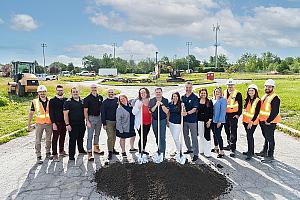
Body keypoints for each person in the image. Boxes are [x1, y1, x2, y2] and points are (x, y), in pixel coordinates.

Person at [257, 79, 281, 163]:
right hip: (263, 120)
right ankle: (264, 151)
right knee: (266, 137)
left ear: (273, 87)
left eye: (269, 87)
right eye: (266, 86)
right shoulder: (265, 96)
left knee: (270, 138)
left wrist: (269, 120)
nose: (267, 88)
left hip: (270, 122)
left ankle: (270, 155)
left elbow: (275, 111)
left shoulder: (275, 98)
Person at [28, 85, 52, 164]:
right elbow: (31, 113)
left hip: (49, 123)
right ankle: (38, 156)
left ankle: (48, 153)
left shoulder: (50, 101)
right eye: (40, 92)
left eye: (44, 92)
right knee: (38, 140)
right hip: (39, 124)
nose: (42, 93)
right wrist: (29, 124)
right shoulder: (35, 102)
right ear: (38, 93)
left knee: (48, 140)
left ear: (46, 92)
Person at [63, 87, 87, 161]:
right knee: (72, 140)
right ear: (71, 93)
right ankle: (71, 155)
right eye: (73, 92)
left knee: (81, 138)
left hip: (81, 123)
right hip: (72, 124)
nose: (75, 93)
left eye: (76, 91)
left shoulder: (82, 101)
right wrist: (67, 124)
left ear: (79, 92)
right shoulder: (68, 102)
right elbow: (65, 114)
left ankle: (81, 150)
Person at [84, 84, 104, 161]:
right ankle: (89, 152)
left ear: (97, 88)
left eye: (95, 87)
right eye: (92, 88)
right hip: (91, 118)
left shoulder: (100, 97)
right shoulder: (87, 99)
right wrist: (87, 121)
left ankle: (96, 148)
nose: (94, 89)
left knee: (97, 134)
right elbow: (85, 111)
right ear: (90, 89)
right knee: (90, 136)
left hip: (99, 118)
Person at [224, 78, 243, 157]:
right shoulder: (225, 92)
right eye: (229, 85)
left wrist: (238, 114)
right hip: (225, 115)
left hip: (234, 115)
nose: (230, 86)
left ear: (234, 85)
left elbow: (240, 105)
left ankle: (233, 148)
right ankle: (229, 144)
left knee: (233, 131)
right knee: (227, 130)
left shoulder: (237, 93)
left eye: (231, 85)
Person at [242, 84, 261, 161]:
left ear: (255, 91)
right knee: (248, 136)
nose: (250, 92)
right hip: (246, 121)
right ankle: (251, 151)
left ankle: (250, 153)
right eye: (249, 90)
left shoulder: (258, 101)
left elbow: (256, 113)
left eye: (252, 90)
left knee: (249, 136)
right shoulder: (247, 99)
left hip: (252, 122)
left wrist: (251, 122)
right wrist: (243, 121)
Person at [49, 85, 67, 162]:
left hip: (64, 122)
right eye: (58, 90)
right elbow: (51, 113)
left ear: (63, 91)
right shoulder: (52, 101)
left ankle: (61, 151)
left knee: (63, 137)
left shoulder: (66, 100)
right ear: (56, 91)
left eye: (61, 90)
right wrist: (53, 123)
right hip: (56, 123)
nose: (60, 91)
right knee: (55, 138)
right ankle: (54, 154)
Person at [181, 81, 199, 161]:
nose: (188, 89)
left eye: (189, 88)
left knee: (194, 137)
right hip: (184, 121)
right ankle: (189, 149)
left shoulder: (194, 97)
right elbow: (181, 107)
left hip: (192, 120)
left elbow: (195, 109)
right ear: (184, 88)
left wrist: (186, 113)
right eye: (186, 87)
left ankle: (195, 153)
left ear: (192, 88)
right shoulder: (182, 97)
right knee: (185, 135)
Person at [149, 88, 169, 157]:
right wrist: (156, 105)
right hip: (154, 120)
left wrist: (162, 104)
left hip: (162, 120)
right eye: (157, 92)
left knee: (162, 137)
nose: (158, 93)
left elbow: (166, 111)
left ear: (162, 93)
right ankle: (159, 148)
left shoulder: (165, 100)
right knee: (157, 136)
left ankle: (162, 152)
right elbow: (151, 110)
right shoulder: (152, 100)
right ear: (155, 93)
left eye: (159, 92)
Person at [132, 88, 152, 155]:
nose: (143, 94)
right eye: (141, 93)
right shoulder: (138, 101)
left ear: (147, 93)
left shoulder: (150, 101)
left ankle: (143, 149)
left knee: (145, 136)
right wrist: (138, 107)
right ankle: (140, 151)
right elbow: (133, 112)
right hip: (140, 123)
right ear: (140, 94)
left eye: (144, 92)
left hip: (148, 122)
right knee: (142, 137)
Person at [101, 89, 119, 160]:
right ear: (107, 93)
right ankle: (110, 152)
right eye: (109, 92)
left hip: (117, 121)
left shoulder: (117, 100)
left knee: (114, 137)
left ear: (114, 93)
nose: (110, 93)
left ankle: (113, 149)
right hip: (108, 122)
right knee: (110, 137)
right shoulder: (105, 102)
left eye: (112, 92)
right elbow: (103, 113)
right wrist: (104, 124)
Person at [197, 88, 213, 158]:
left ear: (206, 94)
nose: (203, 94)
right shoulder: (197, 101)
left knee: (207, 136)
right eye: (202, 93)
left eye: (204, 93)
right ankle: (201, 150)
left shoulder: (209, 102)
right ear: (200, 94)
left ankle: (207, 152)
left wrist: (209, 121)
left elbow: (211, 112)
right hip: (199, 121)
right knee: (200, 136)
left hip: (207, 121)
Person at [211, 87, 227, 158]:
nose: (217, 93)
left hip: (219, 121)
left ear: (221, 93)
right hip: (213, 120)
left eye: (218, 92)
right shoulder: (213, 99)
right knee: (214, 134)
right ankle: (216, 147)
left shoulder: (223, 100)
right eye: (216, 91)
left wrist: (220, 121)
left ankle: (221, 151)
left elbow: (223, 112)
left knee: (218, 135)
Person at [167, 92, 182, 156]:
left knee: (176, 138)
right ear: (172, 97)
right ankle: (177, 149)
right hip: (171, 122)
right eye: (174, 96)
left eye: (176, 96)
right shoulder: (170, 104)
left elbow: (183, 112)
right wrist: (167, 121)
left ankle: (179, 151)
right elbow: (168, 113)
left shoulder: (181, 104)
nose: (175, 98)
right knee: (174, 138)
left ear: (178, 97)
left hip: (178, 123)